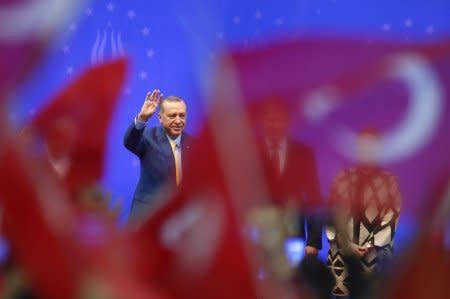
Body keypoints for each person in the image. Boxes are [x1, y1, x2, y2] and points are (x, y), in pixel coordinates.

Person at [326, 128, 402, 298]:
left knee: (374, 292)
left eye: (372, 146)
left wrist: (371, 245)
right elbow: (331, 214)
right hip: (343, 251)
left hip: (377, 253)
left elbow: (392, 215)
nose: (367, 150)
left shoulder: (390, 181)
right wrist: (348, 244)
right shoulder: (341, 178)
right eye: (363, 146)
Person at [252, 99, 323, 264]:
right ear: (262, 122)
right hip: (258, 238)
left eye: (279, 119)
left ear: (288, 122)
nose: (274, 124)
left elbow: (314, 197)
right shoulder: (251, 153)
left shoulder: (304, 154)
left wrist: (313, 241)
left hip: (293, 238)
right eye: (269, 119)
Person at [124, 89, 194, 222]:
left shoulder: (194, 144)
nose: (178, 120)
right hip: (148, 216)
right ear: (160, 118)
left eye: (182, 115)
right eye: (172, 116)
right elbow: (129, 142)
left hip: (181, 219)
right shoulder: (149, 138)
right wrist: (142, 118)